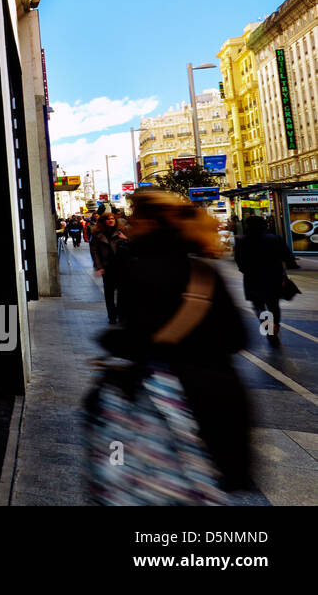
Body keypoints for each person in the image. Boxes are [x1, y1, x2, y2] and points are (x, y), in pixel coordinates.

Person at [100, 190, 252, 493]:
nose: (129, 223)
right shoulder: (202, 272)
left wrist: (110, 340)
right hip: (214, 400)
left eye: (135, 217)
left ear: (151, 223)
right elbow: (238, 337)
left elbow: (138, 339)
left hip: (164, 401)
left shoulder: (137, 269)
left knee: (159, 485)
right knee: (205, 486)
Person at [234, 215, 296, 346]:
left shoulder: (242, 241)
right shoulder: (275, 239)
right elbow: (288, 257)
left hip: (252, 278)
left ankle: (268, 328)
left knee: (258, 305)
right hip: (274, 277)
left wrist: (246, 270)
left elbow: (239, 261)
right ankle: (275, 327)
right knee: (273, 304)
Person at [90, 210, 129, 325]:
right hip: (107, 267)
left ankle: (121, 314)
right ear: (103, 221)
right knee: (109, 293)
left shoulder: (122, 231)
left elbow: (132, 246)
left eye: (112, 219)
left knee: (123, 293)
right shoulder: (97, 234)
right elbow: (94, 251)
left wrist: (126, 238)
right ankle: (112, 316)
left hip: (122, 266)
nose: (111, 221)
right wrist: (99, 266)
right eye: (108, 219)